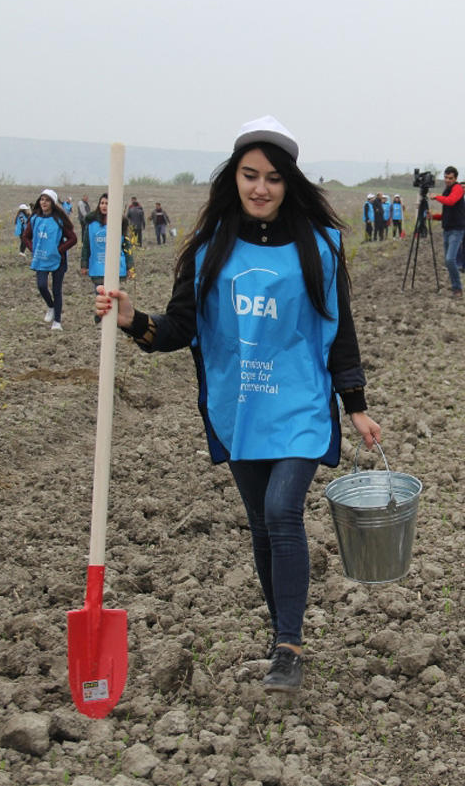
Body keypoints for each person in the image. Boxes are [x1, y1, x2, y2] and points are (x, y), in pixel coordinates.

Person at [94, 115, 381, 694]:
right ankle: (283, 641)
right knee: (260, 526)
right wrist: (132, 321)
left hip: (300, 405)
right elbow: (178, 328)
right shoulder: (207, 250)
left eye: (273, 178)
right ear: (234, 178)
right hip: (240, 406)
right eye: (250, 176)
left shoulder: (321, 247)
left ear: (288, 183)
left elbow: (339, 328)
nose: (260, 188)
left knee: (281, 512)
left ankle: (290, 645)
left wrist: (355, 403)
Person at [21, 188, 78, 331]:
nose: (44, 202)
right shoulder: (34, 219)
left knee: (57, 289)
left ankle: (57, 322)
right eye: (42, 199)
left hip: (59, 261)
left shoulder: (59, 220)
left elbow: (73, 239)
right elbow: (26, 236)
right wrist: (33, 249)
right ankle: (51, 306)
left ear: (52, 203)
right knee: (41, 286)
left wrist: (58, 250)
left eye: (47, 200)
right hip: (41, 258)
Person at [80, 193, 132, 323]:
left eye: (107, 203)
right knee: (100, 291)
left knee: (113, 293)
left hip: (115, 265)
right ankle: (101, 314)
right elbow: (86, 245)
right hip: (97, 264)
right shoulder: (91, 224)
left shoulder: (120, 223)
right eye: (102, 203)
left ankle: (111, 317)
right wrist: (84, 264)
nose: (104, 206)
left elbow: (126, 245)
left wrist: (130, 266)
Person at [431, 166, 465, 296]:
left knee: (450, 259)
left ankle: (458, 288)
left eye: (450, 178)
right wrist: (434, 217)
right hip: (447, 229)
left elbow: (451, 202)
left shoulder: (457, 188)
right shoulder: (447, 190)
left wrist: (437, 197)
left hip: (456, 230)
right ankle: (454, 286)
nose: (447, 180)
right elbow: (447, 212)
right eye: (445, 177)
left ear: (455, 178)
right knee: (447, 261)